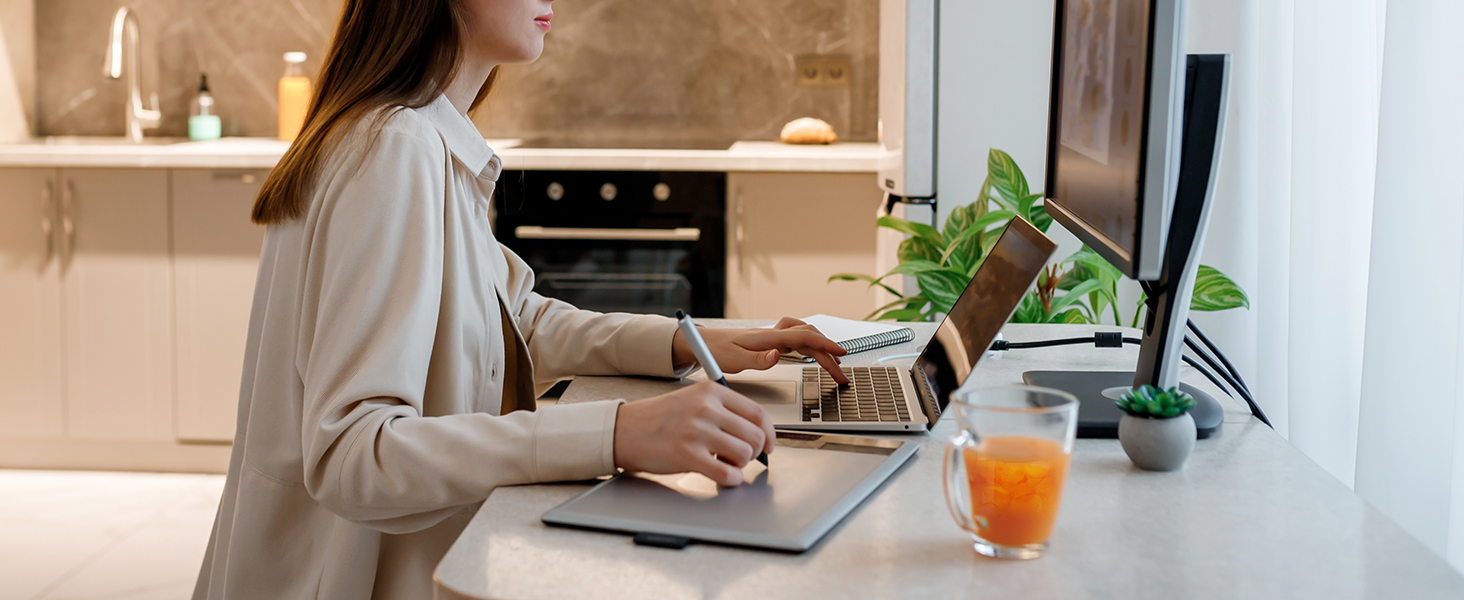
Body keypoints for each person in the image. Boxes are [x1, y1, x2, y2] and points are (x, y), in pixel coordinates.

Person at [191, 0, 852, 598]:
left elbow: (514, 316)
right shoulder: (394, 148)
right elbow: (351, 454)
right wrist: (617, 433)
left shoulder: (415, 135)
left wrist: (692, 342)